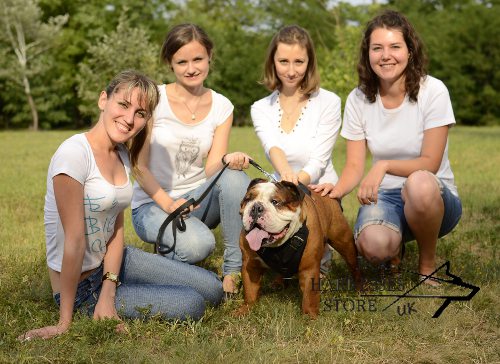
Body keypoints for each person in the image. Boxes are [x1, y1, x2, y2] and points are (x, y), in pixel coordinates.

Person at [19, 70, 223, 341]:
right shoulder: (73, 154)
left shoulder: (123, 155)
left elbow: (115, 230)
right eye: (123, 105)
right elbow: (74, 242)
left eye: (140, 113)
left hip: (113, 263)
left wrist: (109, 289)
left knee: (212, 289)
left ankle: (119, 288)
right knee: (193, 304)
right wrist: (64, 323)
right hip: (80, 286)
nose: (129, 119)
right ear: (104, 100)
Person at [311, 10, 462, 284]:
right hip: (387, 198)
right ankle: (393, 248)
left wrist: (384, 165)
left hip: (434, 198)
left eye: (395, 47)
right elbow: (355, 165)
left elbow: (431, 163)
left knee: (419, 184)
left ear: (410, 51)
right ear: (367, 54)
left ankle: (426, 265)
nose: (385, 55)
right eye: (377, 48)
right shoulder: (358, 98)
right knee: (375, 247)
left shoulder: (433, 91)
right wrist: (336, 190)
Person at [131, 24, 251, 297]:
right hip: (153, 203)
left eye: (197, 59)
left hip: (197, 198)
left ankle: (233, 270)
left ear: (209, 56)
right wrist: (168, 204)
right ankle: (162, 263)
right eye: (181, 61)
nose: (191, 68)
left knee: (234, 176)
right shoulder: (153, 99)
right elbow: (138, 167)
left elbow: (210, 168)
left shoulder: (222, 106)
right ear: (169, 63)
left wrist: (227, 159)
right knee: (199, 245)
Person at [251, 25, 342, 273]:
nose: (291, 71)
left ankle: (322, 251)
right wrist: (286, 180)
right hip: (283, 186)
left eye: (299, 62)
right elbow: (273, 146)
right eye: (283, 61)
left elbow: (319, 160)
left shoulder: (329, 102)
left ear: (309, 62)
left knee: (312, 266)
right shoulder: (260, 107)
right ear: (273, 62)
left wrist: (296, 184)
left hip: (318, 188)